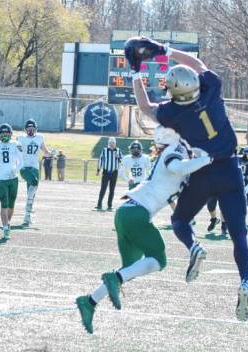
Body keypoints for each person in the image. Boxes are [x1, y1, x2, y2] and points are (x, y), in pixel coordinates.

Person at [128, 36, 248, 321]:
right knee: (239, 235)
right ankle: (244, 280)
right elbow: (196, 63)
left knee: (180, 221)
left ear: (173, 92)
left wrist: (136, 73)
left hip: (201, 172)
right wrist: (164, 50)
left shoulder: (173, 112)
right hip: (230, 169)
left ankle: (194, 246)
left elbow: (146, 108)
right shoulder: (212, 88)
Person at [76, 125, 213, 334]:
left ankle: (89, 302)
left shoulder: (175, 151)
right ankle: (110, 282)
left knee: (128, 270)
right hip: (137, 214)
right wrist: (207, 158)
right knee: (158, 259)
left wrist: (205, 159)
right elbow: (177, 167)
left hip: (126, 213)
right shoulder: (175, 150)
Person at [0, 123, 24, 240]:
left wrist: (15, 170)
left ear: (11, 134)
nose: (5, 135)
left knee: (11, 206)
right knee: (4, 204)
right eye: (2, 133)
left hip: (13, 179)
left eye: (7, 133)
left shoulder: (15, 144)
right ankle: (5, 227)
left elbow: (21, 162)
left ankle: (7, 224)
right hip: (1, 180)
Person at [16, 119, 52, 227]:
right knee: (34, 183)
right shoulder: (20, 138)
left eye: (32, 129)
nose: (30, 131)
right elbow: (14, 152)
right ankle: (28, 212)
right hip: (24, 167)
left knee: (31, 193)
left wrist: (51, 153)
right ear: (25, 130)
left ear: (35, 129)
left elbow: (45, 152)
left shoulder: (39, 138)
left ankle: (27, 217)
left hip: (35, 168)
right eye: (29, 129)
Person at [95, 137, 122, 211]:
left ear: (115, 144)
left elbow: (122, 160)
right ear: (108, 143)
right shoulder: (104, 150)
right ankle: (99, 204)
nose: (112, 144)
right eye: (110, 143)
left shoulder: (118, 150)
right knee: (103, 188)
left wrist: (118, 157)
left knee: (112, 190)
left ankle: (110, 205)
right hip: (106, 172)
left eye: (113, 143)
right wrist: (98, 170)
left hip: (114, 172)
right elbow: (101, 159)